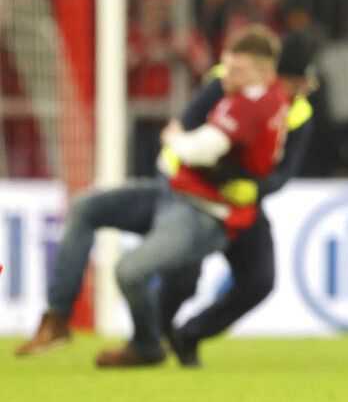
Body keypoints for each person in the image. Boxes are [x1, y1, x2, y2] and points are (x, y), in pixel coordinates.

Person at [14, 26, 289, 367]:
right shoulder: (247, 94)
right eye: (226, 65)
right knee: (85, 208)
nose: (226, 75)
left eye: (237, 70)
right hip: (173, 192)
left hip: (203, 212)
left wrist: (174, 139)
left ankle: (147, 345)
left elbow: (202, 149)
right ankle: (57, 318)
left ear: (264, 73)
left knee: (131, 271)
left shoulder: (255, 103)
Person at [157, 32, 316, 367]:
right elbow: (187, 128)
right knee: (183, 279)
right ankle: (153, 337)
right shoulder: (225, 84)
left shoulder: (299, 112)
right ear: (273, 76)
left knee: (259, 281)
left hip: (240, 202)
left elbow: (284, 172)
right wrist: (214, 170)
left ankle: (191, 334)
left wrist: (253, 187)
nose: (300, 92)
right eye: (296, 83)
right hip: (195, 192)